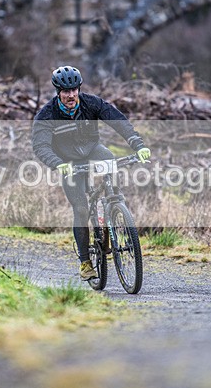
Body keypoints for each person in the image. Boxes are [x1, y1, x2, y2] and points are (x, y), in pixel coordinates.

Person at [32, 65, 151, 280]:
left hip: (92, 150)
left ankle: (114, 204)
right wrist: (58, 163)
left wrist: (137, 144)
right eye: (66, 92)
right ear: (58, 91)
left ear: (79, 88)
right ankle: (86, 263)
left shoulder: (91, 102)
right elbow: (41, 147)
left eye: (74, 90)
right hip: (68, 161)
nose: (71, 95)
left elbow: (117, 120)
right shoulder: (47, 115)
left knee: (109, 159)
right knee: (80, 208)